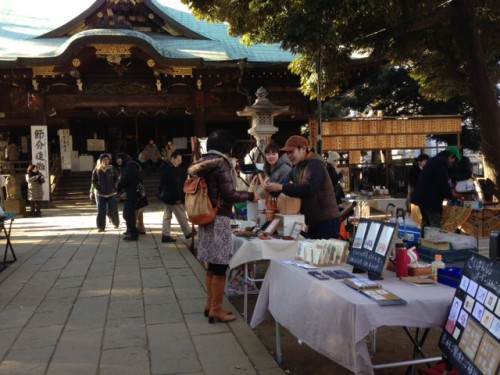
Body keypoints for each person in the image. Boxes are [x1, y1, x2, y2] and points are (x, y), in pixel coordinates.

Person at [187, 129, 257, 323]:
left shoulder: (200, 163)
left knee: (211, 263)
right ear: (225, 146)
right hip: (219, 218)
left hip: (206, 217)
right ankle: (216, 309)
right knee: (220, 265)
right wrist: (252, 195)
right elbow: (230, 195)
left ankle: (210, 304)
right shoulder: (222, 164)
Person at [265, 135, 341, 239]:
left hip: (327, 222)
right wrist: (269, 188)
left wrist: (281, 187)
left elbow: (309, 189)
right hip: (313, 222)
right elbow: (280, 184)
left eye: (291, 152)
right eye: (287, 153)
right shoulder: (297, 168)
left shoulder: (315, 165)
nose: (289, 156)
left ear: (303, 149)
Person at [412, 146, 461, 236]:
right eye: (454, 160)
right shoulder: (441, 162)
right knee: (434, 224)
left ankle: (423, 244)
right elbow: (442, 183)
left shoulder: (436, 160)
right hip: (430, 199)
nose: (453, 163)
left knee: (426, 223)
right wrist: (452, 197)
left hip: (422, 197)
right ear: (451, 156)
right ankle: (434, 246)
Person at [158, 151, 194, 243]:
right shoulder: (169, 169)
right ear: (172, 159)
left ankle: (165, 235)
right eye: (178, 160)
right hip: (171, 196)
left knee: (167, 215)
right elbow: (173, 185)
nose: (180, 162)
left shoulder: (166, 167)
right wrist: (178, 198)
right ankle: (188, 232)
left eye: (181, 160)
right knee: (181, 214)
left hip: (167, 196)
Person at [116, 153, 142, 241]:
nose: (118, 160)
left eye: (120, 158)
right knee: (128, 213)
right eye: (117, 159)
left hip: (132, 193)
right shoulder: (127, 165)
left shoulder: (129, 166)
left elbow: (126, 179)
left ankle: (133, 233)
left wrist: (118, 186)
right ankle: (130, 230)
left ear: (124, 159)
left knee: (128, 214)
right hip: (129, 193)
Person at [91, 153, 119, 232]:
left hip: (111, 193)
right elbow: (94, 180)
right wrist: (98, 188)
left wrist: (115, 187)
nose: (106, 161)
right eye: (104, 160)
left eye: (107, 159)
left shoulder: (112, 168)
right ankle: (101, 227)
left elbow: (117, 179)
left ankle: (116, 223)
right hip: (101, 194)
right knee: (101, 210)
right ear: (101, 161)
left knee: (113, 209)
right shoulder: (96, 170)